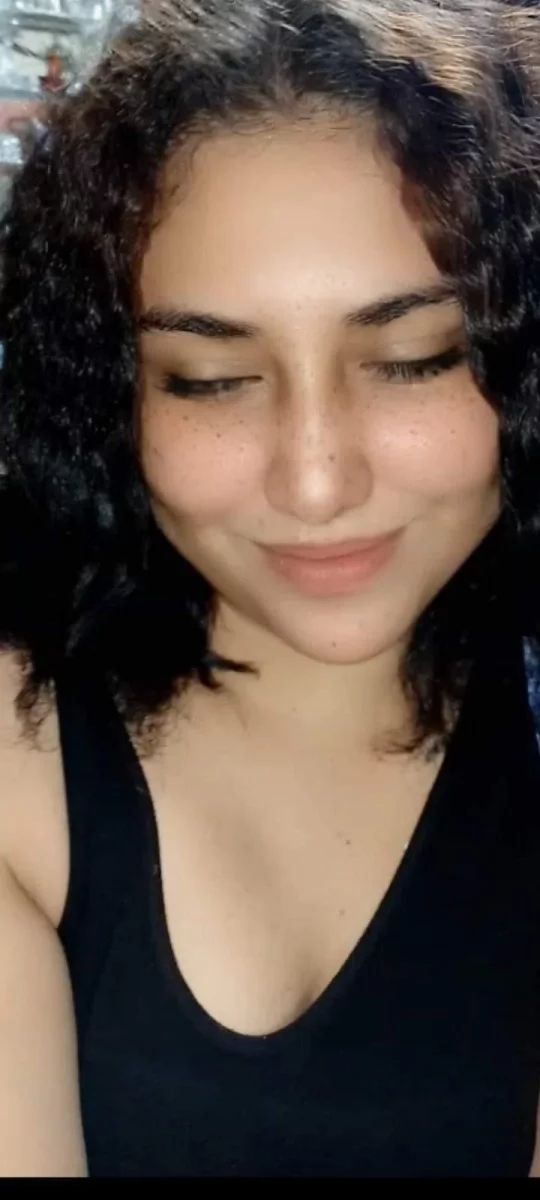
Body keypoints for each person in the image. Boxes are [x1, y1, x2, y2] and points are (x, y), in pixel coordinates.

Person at [0, 0, 540, 1179]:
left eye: (414, 360)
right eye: (210, 378)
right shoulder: (20, 759)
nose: (316, 480)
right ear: (110, 399)